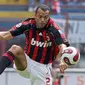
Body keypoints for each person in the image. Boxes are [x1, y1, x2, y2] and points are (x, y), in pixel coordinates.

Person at [0, 4, 69, 85]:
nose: (42, 20)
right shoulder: (28, 24)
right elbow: (5, 35)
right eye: (40, 17)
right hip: (27, 62)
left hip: (43, 68)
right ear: (35, 15)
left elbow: (63, 45)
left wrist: (63, 60)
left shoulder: (54, 29)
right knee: (15, 49)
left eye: (45, 17)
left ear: (49, 17)